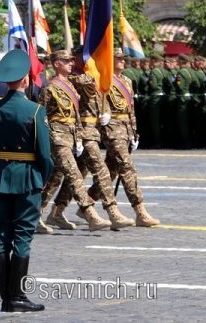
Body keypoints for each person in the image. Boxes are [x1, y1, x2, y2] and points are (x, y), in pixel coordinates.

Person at [0, 49, 52, 313]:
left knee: (2, 237)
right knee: (22, 236)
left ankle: (6, 298)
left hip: (3, 177)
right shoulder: (35, 111)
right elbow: (45, 155)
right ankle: (17, 296)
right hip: (29, 178)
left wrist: (4, 160)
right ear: (25, 79)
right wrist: (44, 178)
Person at [37, 50, 110, 233]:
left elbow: (76, 115)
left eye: (71, 60)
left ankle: (34, 214)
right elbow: (41, 116)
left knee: (54, 179)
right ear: (56, 64)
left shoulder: (70, 84)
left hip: (70, 137)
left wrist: (78, 138)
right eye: (66, 61)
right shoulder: (50, 88)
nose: (71, 63)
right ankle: (90, 214)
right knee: (74, 174)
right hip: (56, 136)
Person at [89, 49, 159, 227]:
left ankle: (87, 203)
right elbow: (97, 103)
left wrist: (134, 133)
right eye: (118, 58)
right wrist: (102, 117)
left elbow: (131, 109)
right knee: (127, 168)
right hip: (112, 129)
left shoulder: (127, 81)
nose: (122, 61)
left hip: (126, 128)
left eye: (123, 58)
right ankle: (140, 211)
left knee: (111, 170)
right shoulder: (103, 79)